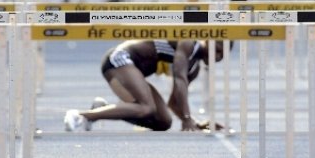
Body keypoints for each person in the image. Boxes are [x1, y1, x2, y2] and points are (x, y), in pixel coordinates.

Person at [63, 39, 230, 132]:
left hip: (133, 69)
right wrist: (186, 118)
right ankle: (80, 115)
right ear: (208, 41)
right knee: (146, 107)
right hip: (120, 58)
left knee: (163, 122)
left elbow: (173, 102)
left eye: (222, 53)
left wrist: (193, 122)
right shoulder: (188, 44)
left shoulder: (194, 68)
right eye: (217, 48)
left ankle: (101, 109)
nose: (217, 55)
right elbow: (179, 78)